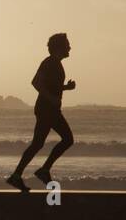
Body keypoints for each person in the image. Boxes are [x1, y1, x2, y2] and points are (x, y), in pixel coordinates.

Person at [6, 32, 75, 192]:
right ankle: (41, 171)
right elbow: (36, 82)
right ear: (60, 47)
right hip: (47, 109)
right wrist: (51, 98)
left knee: (39, 143)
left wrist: (66, 88)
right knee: (67, 139)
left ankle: (19, 175)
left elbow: (50, 85)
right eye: (67, 45)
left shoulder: (55, 63)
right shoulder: (50, 62)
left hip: (49, 109)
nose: (70, 47)